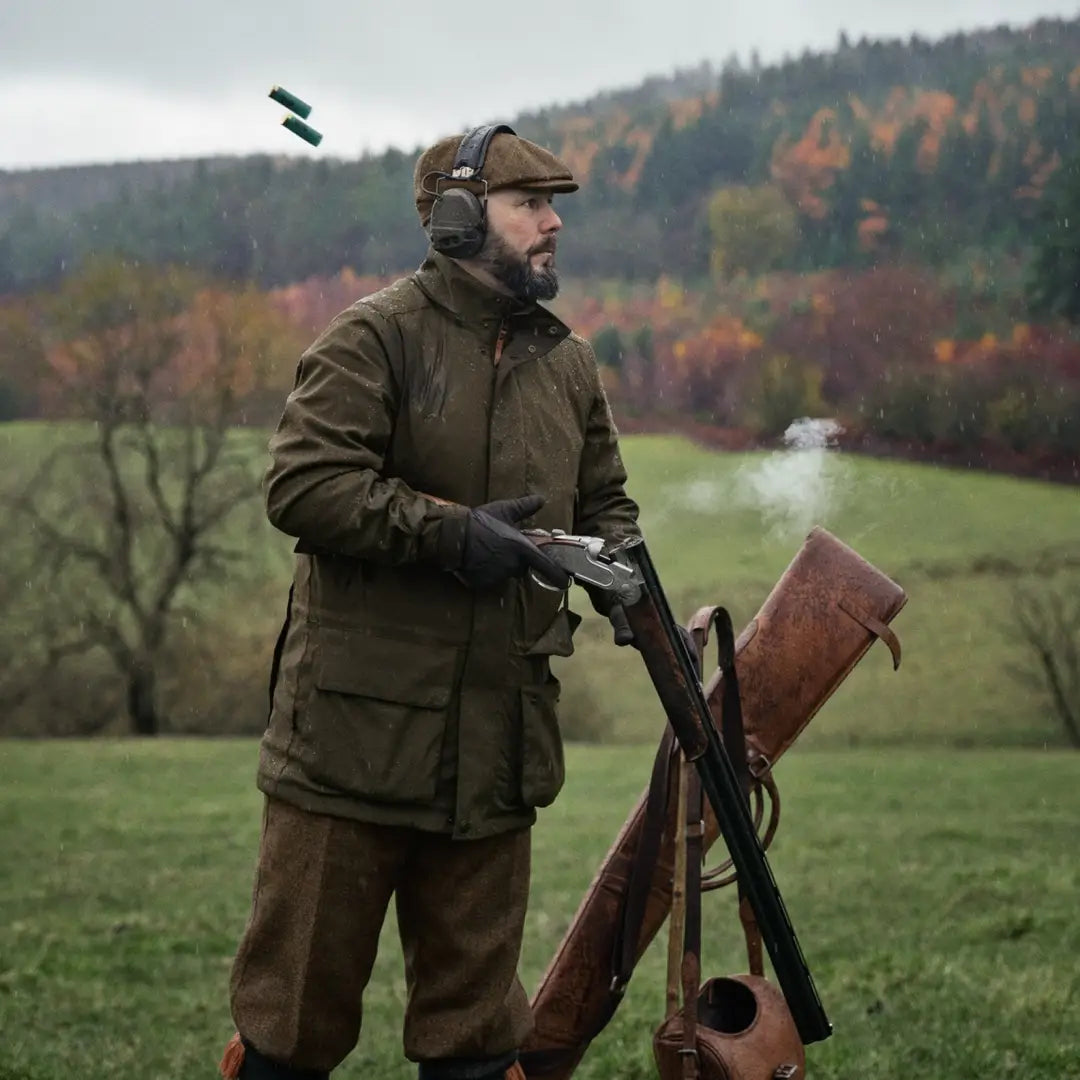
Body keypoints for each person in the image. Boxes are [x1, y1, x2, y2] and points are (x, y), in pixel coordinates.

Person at [220, 125, 641, 1080]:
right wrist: (453, 535)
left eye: (555, 206)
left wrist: (625, 575)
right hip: (349, 749)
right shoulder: (375, 336)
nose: (552, 225)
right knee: (291, 1031)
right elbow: (305, 485)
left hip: (496, 751)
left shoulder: (568, 364)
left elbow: (607, 497)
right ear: (457, 220)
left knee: (479, 1043)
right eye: (529, 205)